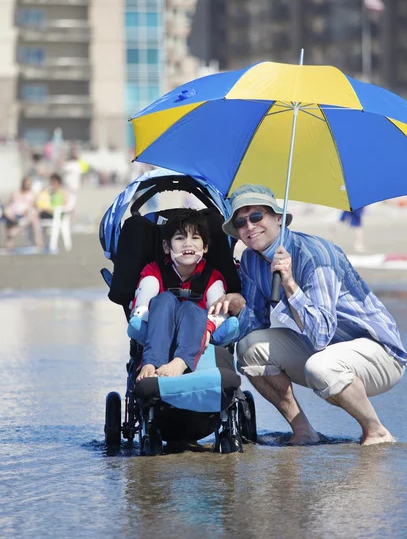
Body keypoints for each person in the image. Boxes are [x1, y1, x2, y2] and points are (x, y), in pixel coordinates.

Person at [209, 184, 406, 446]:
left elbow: (321, 335)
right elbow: (255, 324)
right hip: (328, 349)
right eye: (241, 222)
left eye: (257, 216)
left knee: (321, 367)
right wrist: (239, 303)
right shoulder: (250, 261)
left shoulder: (316, 255)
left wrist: (290, 283)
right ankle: (303, 431)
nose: (249, 226)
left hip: (380, 353)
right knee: (249, 349)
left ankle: (376, 430)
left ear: (278, 218)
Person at [127, 209, 239, 381]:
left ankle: (180, 362)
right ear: (166, 246)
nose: (188, 244)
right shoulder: (153, 272)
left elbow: (221, 314)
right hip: (160, 326)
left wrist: (207, 328)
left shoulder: (212, 277)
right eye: (180, 238)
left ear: (205, 246)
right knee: (164, 299)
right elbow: (140, 310)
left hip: (195, 326)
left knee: (190, 307)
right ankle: (151, 363)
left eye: (195, 238)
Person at [3, 176, 43, 250]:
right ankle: (10, 240)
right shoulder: (16, 193)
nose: (27, 185)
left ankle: (38, 243)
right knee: (8, 214)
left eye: (29, 184)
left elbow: (36, 207)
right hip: (13, 214)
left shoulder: (32, 194)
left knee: (34, 218)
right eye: (26, 184)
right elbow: (8, 204)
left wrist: (28, 210)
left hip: (25, 215)